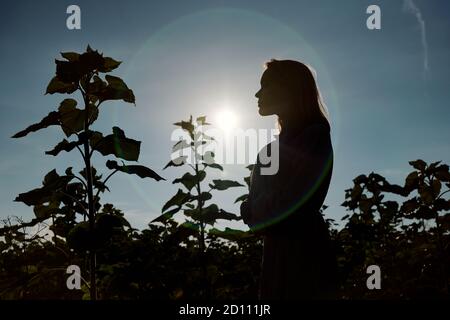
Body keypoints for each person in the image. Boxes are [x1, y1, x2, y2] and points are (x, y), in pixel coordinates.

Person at [240, 59, 338, 300]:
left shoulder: (314, 136)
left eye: (266, 85)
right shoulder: (271, 150)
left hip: (304, 255)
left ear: (288, 88)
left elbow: (294, 204)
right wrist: (254, 210)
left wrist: (252, 210)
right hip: (277, 254)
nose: (257, 93)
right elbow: (261, 209)